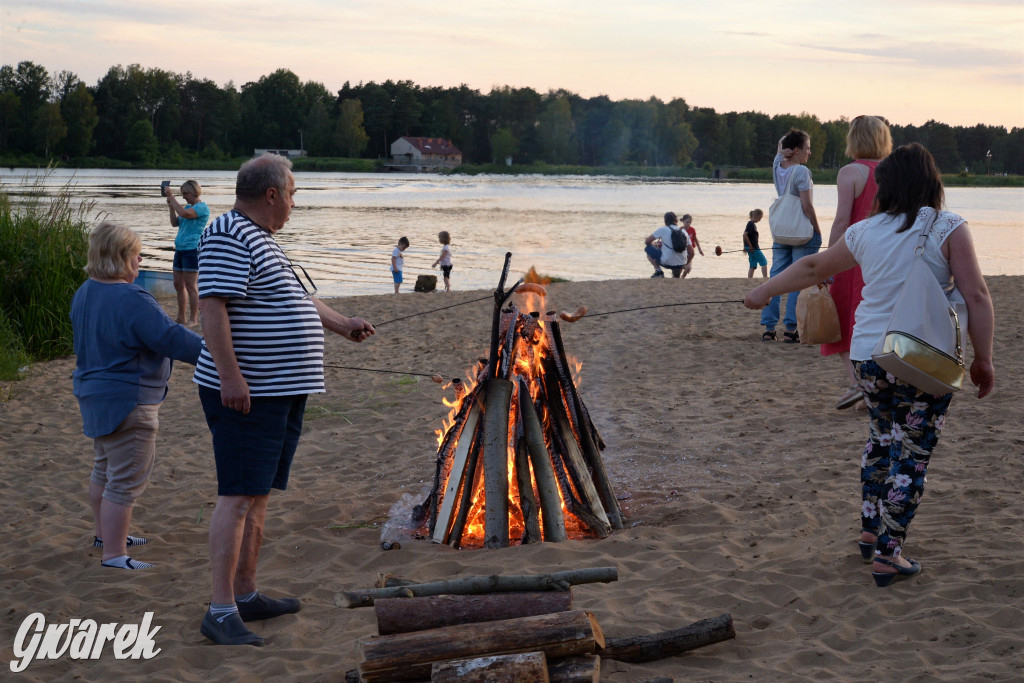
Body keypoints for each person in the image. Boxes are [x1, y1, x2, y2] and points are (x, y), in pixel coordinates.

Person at [744, 143, 995, 587]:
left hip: (867, 357)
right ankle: (889, 553)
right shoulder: (949, 226)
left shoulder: (865, 230)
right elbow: (976, 296)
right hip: (920, 356)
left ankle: (868, 530)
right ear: (932, 183)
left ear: (886, 186)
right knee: (912, 453)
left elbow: (814, 265)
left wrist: (765, 291)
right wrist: (984, 359)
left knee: (882, 437)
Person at [194, 153, 375, 646]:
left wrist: (341, 324)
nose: (295, 203)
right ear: (271, 194)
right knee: (237, 497)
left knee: (258, 495)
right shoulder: (229, 233)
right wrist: (231, 378)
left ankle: (246, 594)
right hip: (248, 394)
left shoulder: (261, 240)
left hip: (278, 392)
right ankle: (221, 608)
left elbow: (296, 298)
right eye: (292, 194)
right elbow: (213, 308)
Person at [71, 221, 203, 570]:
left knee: (104, 468)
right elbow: (171, 338)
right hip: (129, 401)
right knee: (126, 479)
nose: (140, 260)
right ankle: (114, 554)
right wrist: (215, 351)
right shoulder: (131, 297)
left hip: (93, 397)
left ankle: (105, 534)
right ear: (120, 258)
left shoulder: (84, 291)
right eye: (136, 255)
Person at [824, 116, 892, 410]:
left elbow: (842, 220)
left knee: (842, 318)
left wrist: (827, 259)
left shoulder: (850, 172)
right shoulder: (894, 172)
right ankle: (873, 384)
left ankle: (857, 383)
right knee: (876, 317)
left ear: (854, 139)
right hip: (887, 254)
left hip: (854, 254)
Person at [760, 129, 822, 342]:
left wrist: (782, 147)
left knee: (776, 277)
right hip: (800, 232)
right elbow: (806, 205)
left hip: (781, 231)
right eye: (807, 148)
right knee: (797, 279)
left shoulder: (778, 167)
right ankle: (791, 328)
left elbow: (780, 145)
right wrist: (817, 227)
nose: (809, 152)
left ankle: (769, 327)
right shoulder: (801, 171)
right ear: (796, 150)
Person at [165, 180, 210, 326]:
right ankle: (181, 317)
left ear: (195, 191)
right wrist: (172, 207)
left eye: (186, 193)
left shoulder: (201, 208)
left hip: (191, 250)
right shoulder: (187, 207)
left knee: (191, 286)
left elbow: (185, 213)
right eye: (182, 194)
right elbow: (174, 223)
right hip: (180, 250)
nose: (184, 197)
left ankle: (193, 319)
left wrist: (171, 196)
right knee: (178, 284)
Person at [644, 211, 693, 278]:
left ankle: (659, 272)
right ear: (676, 220)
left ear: (665, 222)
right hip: (681, 264)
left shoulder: (663, 230)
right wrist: (686, 263)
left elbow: (647, 242)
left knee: (648, 248)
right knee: (677, 257)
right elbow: (692, 252)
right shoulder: (684, 232)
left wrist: (654, 244)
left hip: (666, 262)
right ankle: (677, 274)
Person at [743, 209, 769, 279]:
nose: (760, 220)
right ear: (756, 216)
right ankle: (765, 278)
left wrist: (745, 247)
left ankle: (750, 279)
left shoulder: (751, 224)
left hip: (750, 248)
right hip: (754, 248)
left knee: (753, 265)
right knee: (764, 262)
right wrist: (750, 246)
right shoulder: (751, 224)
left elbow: (746, 236)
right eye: (760, 218)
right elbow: (745, 235)